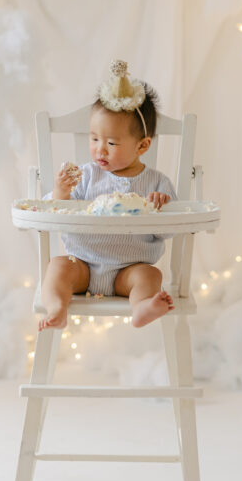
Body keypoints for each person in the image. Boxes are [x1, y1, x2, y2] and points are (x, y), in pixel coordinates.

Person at [39, 60, 177, 330]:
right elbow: (53, 212)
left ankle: (141, 307)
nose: (100, 150)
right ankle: (56, 307)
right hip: (82, 264)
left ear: (143, 145)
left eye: (111, 143)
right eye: (94, 139)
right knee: (57, 266)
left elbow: (169, 231)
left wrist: (162, 209)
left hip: (129, 270)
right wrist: (61, 192)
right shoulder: (86, 176)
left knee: (151, 274)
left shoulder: (157, 183)